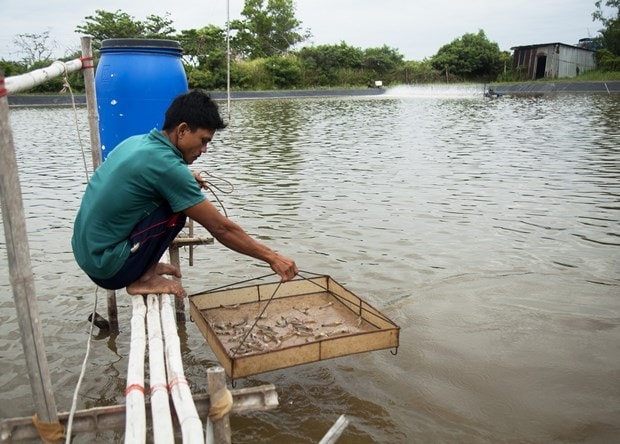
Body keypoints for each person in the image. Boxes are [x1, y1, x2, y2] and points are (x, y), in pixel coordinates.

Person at [72, 89, 298, 298]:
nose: (204, 150)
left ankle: (143, 265)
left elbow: (155, 174)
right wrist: (272, 257)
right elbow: (221, 228)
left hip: (88, 254)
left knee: (177, 199)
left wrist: (186, 177)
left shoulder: (137, 142)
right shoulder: (169, 169)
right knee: (178, 210)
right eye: (203, 141)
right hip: (109, 270)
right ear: (182, 130)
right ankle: (143, 278)